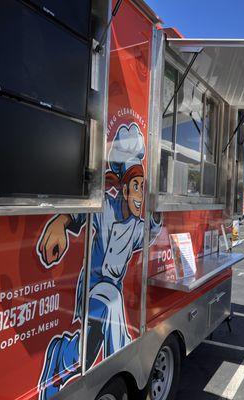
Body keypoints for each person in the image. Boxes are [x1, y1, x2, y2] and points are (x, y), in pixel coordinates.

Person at [36, 123, 161, 399]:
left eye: (143, 188)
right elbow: (80, 212)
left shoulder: (138, 228)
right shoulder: (106, 206)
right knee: (110, 299)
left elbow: (153, 232)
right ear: (125, 190)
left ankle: (59, 355)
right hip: (92, 288)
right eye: (136, 187)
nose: (139, 195)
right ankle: (126, 354)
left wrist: (157, 209)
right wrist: (60, 223)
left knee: (88, 350)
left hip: (109, 296)